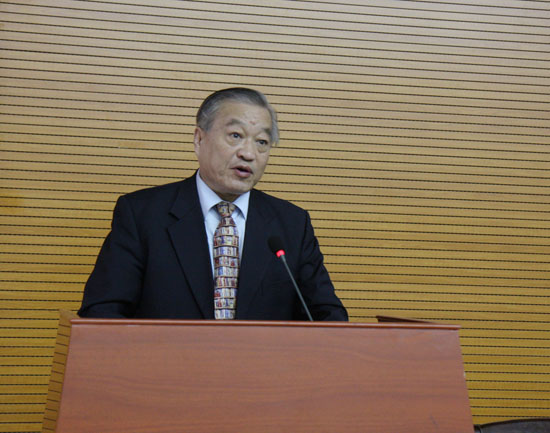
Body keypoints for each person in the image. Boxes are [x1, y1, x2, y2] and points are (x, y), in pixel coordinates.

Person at [78, 87, 348, 321]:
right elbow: (102, 312)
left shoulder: (292, 225)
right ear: (199, 139)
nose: (248, 153)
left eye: (262, 142)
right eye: (235, 135)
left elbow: (328, 318)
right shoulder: (142, 214)